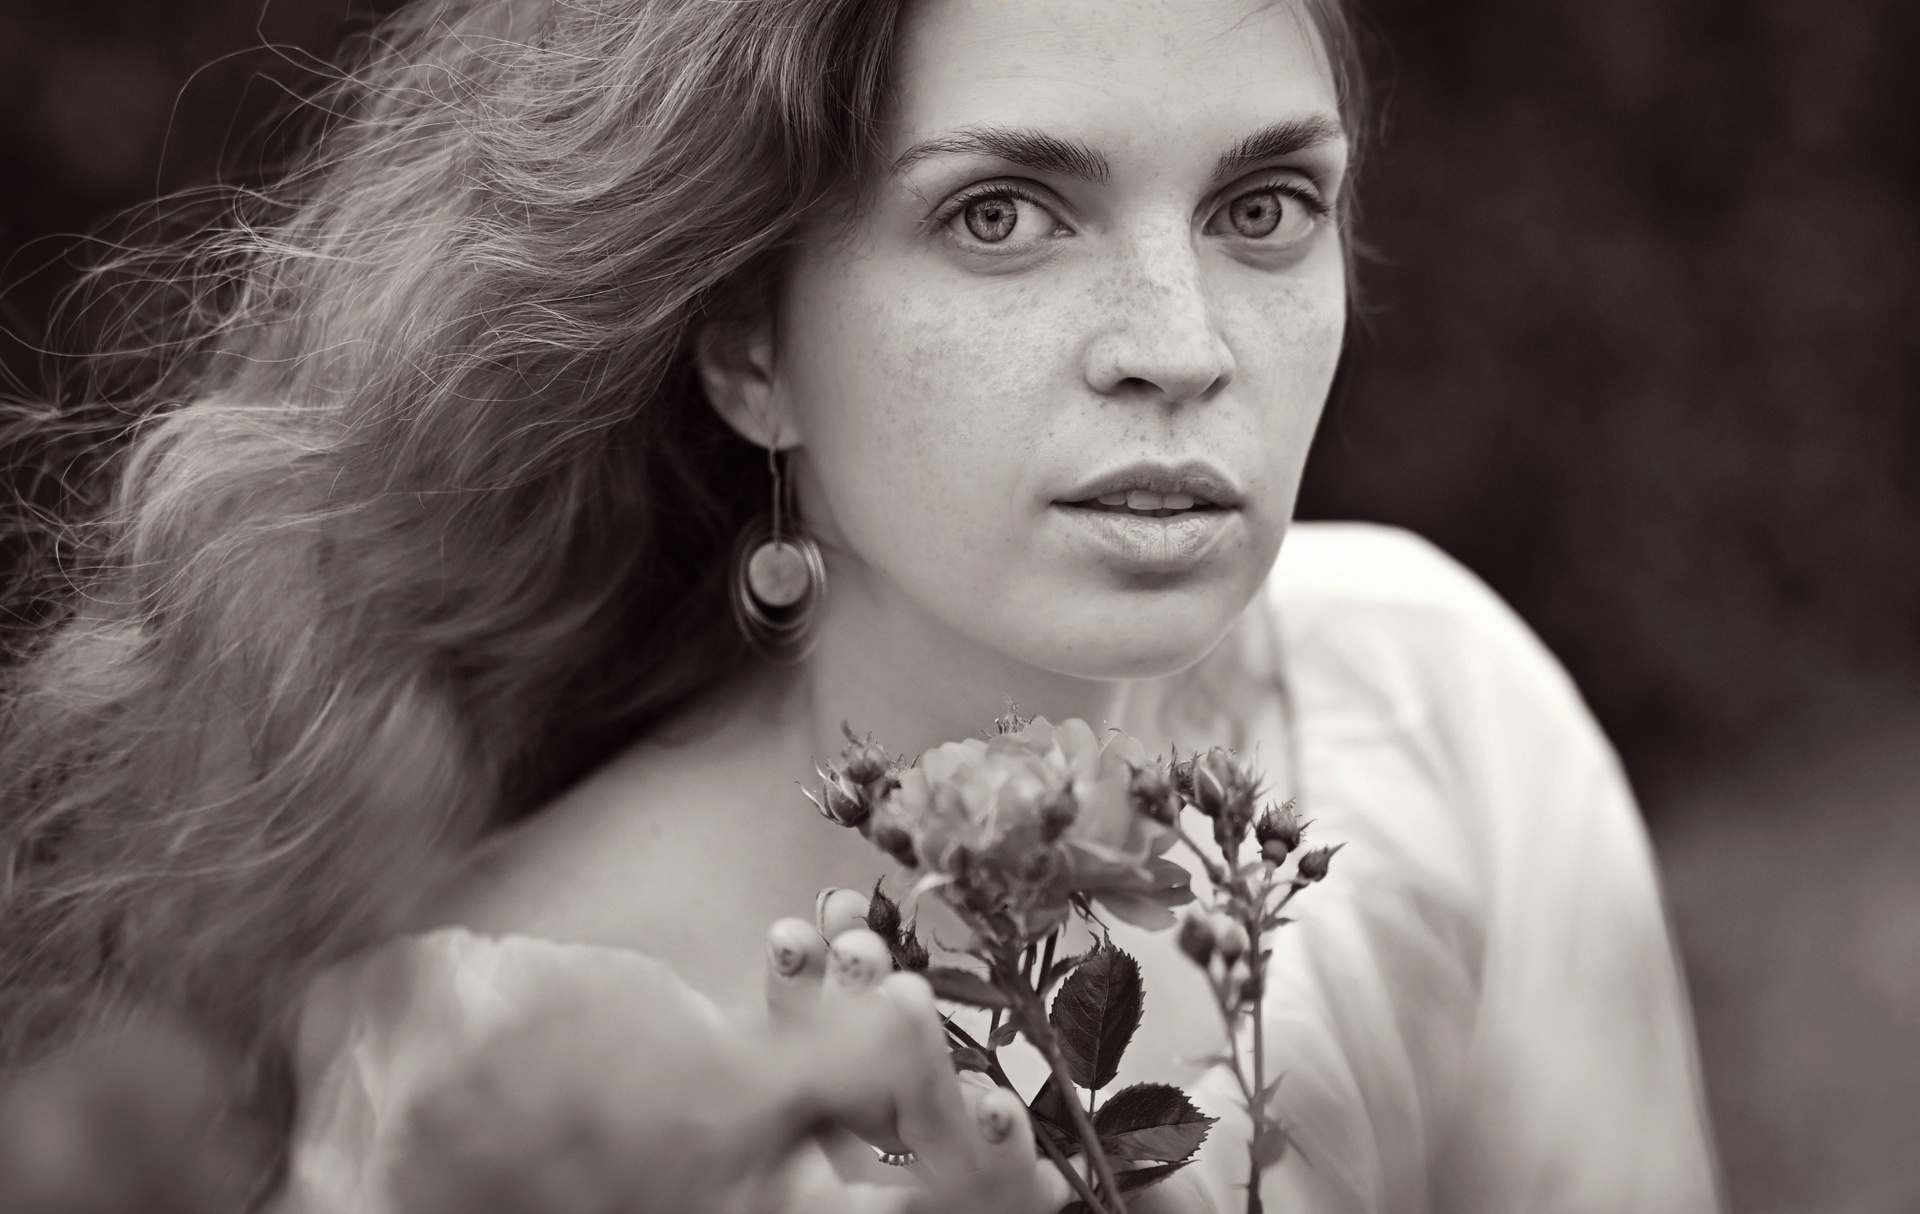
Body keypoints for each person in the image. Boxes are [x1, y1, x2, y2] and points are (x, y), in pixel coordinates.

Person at [0, 0, 1724, 1210]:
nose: (1182, 345)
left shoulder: (1426, 713)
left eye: (1263, 207)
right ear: (753, 351)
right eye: (1002, 214)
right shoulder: (477, 1064)